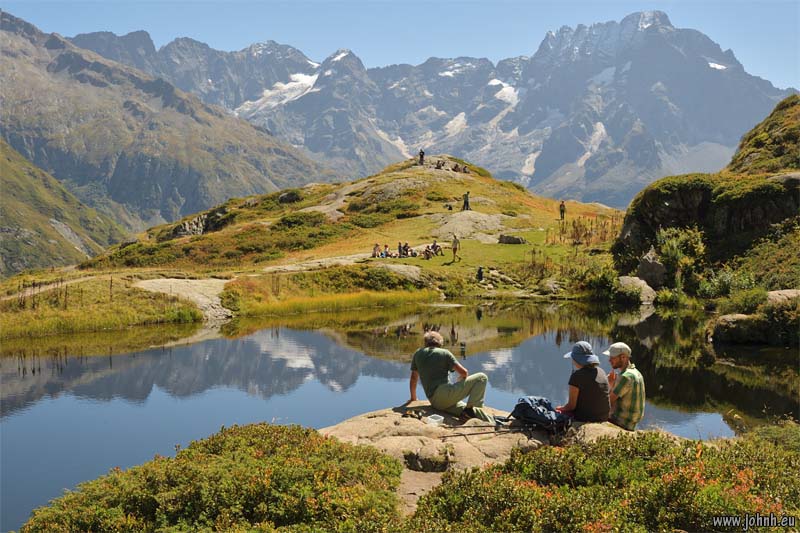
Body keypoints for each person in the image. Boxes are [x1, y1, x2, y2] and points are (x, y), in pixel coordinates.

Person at [409, 331, 492, 422]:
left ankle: (492, 421)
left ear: (426, 343)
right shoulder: (444, 353)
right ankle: (469, 411)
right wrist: (460, 380)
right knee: (482, 377)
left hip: (434, 402)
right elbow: (464, 373)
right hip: (444, 395)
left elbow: (414, 378)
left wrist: (413, 398)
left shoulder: (418, 353)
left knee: (469, 411)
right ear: (440, 343)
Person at [556, 341, 610, 422]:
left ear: (576, 359)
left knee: (557, 413)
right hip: (604, 417)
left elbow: (571, 406)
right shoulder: (601, 371)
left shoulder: (576, 376)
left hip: (586, 418)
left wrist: (560, 408)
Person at [604, 342, 645, 430]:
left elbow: (608, 402)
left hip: (621, 423)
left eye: (612, 357)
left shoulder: (625, 376)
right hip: (631, 423)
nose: (609, 360)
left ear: (623, 357)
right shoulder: (636, 373)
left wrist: (609, 385)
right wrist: (612, 384)